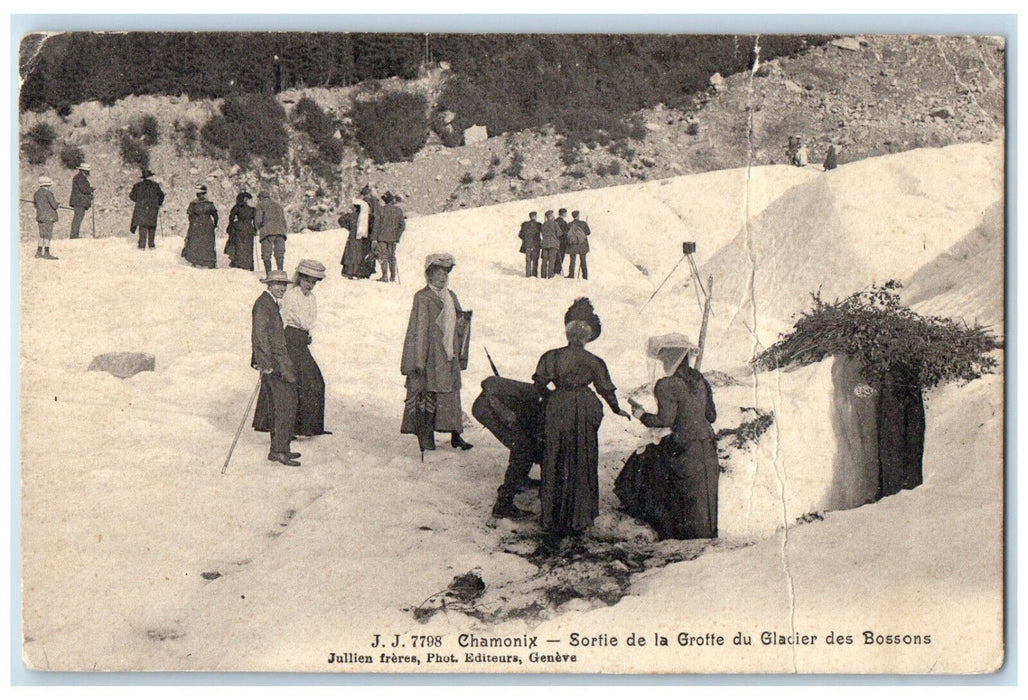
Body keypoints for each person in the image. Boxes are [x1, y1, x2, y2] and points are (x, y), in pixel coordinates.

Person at [533, 298, 630, 536]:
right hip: (585, 407)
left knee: (554, 456)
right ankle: (580, 517)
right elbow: (606, 389)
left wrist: (550, 400)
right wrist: (617, 409)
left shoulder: (551, 356)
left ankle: (552, 516)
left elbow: (539, 384)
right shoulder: (595, 361)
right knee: (582, 456)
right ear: (588, 336)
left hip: (558, 406)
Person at [614, 335, 720, 540]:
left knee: (646, 466)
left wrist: (640, 414)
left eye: (663, 361)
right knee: (704, 500)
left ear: (670, 360)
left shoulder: (666, 384)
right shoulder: (700, 380)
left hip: (685, 450)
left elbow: (665, 419)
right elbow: (711, 416)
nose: (662, 366)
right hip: (707, 447)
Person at [401, 253, 474, 453]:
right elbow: (418, 330)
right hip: (430, 356)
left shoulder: (451, 296)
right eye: (438, 273)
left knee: (451, 395)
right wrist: (418, 360)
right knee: (427, 396)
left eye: (445, 274)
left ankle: (455, 435)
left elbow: (459, 324)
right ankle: (426, 438)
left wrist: (462, 325)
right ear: (429, 275)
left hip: (448, 356)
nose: (442, 278)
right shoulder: (423, 297)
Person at [471, 375, 545, 521]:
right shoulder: (539, 403)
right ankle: (503, 504)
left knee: (523, 445)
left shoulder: (541, 400)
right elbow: (489, 383)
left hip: (497, 407)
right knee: (522, 450)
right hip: (489, 408)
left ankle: (520, 479)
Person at [251, 270, 300, 467]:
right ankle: (279, 451)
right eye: (277, 284)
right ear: (268, 284)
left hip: (279, 363)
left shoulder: (271, 303)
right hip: (274, 365)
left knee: (284, 405)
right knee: (283, 406)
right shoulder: (263, 304)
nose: (281, 288)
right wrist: (265, 364)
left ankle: (281, 448)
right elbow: (260, 336)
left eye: (284, 284)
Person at [278, 259, 330, 437]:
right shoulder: (291, 295)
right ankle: (291, 428)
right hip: (290, 340)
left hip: (302, 341)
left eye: (313, 282)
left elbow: (310, 321)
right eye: (307, 280)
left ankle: (309, 427)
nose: (310, 285)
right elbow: (284, 318)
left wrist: (308, 335)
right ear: (299, 278)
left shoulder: (312, 298)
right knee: (297, 383)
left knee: (315, 382)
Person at [182, 184, 218, 268]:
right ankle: (209, 261)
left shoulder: (193, 204)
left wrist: (192, 223)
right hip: (207, 224)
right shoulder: (209, 204)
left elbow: (190, 215)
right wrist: (215, 224)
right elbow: (215, 216)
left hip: (196, 224)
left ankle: (195, 260)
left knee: (196, 242)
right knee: (208, 243)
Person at [372, 191, 405, 283]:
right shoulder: (398, 211)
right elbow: (402, 225)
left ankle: (385, 276)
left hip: (381, 237)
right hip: (393, 238)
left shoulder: (380, 210)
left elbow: (376, 225)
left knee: (383, 256)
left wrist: (374, 238)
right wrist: (397, 237)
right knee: (392, 257)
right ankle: (393, 276)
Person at [129, 168, 165, 250]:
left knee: (142, 227)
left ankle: (142, 245)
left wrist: (139, 201)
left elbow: (132, 196)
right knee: (152, 226)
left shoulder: (137, 186)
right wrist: (158, 203)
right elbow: (161, 196)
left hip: (141, 209)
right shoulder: (155, 186)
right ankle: (151, 245)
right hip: (152, 209)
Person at [256, 190, 289, 274]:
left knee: (266, 254)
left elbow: (258, 221)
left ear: (261, 198)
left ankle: (269, 274)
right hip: (280, 232)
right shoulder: (278, 206)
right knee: (279, 253)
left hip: (267, 233)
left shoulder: (260, 205)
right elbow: (284, 221)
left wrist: (258, 228)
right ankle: (280, 272)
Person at [225, 192, 257, 270]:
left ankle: (238, 263)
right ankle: (248, 264)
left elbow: (231, 218)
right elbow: (255, 221)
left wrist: (230, 227)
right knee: (248, 248)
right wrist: (255, 229)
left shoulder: (236, 208)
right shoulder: (252, 209)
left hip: (238, 229)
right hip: (249, 229)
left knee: (239, 247)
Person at [32, 175, 59, 260]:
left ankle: (38, 252)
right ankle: (47, 253)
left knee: (41, 235)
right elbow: (54, 206)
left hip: (40, 216)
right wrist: (58, 204)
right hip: (48, 217)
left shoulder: (36, 193)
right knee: (47, 235)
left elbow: (35, 205)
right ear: (48, 185)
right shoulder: (49, 193)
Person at [68, 162, 94, 239]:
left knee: (78, 218)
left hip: (79, 202)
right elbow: (84, 189)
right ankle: (74, 235)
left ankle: (75, 235)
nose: (88, 172)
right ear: (84, 170)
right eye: (87, 171)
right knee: (78, 218)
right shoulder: (80, 178)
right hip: (79, 202)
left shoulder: (80, 177)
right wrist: (91, 189)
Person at [339, 203, 364, 279]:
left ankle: (349, 271)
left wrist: (348, 227)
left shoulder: (352, 215)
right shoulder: (364, 217)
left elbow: (340, 220)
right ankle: (357, 271)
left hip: (352, 235)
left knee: (350, 252)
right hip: (362, 237)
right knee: (359, 253)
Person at [565, 211, 591, 279]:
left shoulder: (569, 224)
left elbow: (567, 234)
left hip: (573, 245)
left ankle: (571, 274)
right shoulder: (583, 223)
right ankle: (585, 276)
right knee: (583, 260)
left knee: (572, 260)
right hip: (582, 244)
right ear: (578, 215)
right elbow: (588, 233)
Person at [518, 211, 542, 278]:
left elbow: (520, 234)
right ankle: (534, 274)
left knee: (528, 261)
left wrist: (526, 239)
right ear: (535, 216)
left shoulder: (525, 224)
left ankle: (528, 274)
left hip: (527, 245)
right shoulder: (538, 225)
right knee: (535, 260)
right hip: (536, 244)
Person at [539, 210, 561, 279]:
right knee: (552, 260)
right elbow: (559, 233)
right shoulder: (555, 224)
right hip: (553, 244)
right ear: (551, 216)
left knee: (544, 260)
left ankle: (543, 275)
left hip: (545, 244)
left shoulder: (543, 224)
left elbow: (542, 233)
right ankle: (550, 275)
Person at [554, 207, 570, 276]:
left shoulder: (555, 221)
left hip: (555, 242)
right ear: (563, 214)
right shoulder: (564, 223)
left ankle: (554, 270)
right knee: (561, 257)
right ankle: (558, 271)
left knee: (555, 257)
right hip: (562, 242)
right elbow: (566, 233)